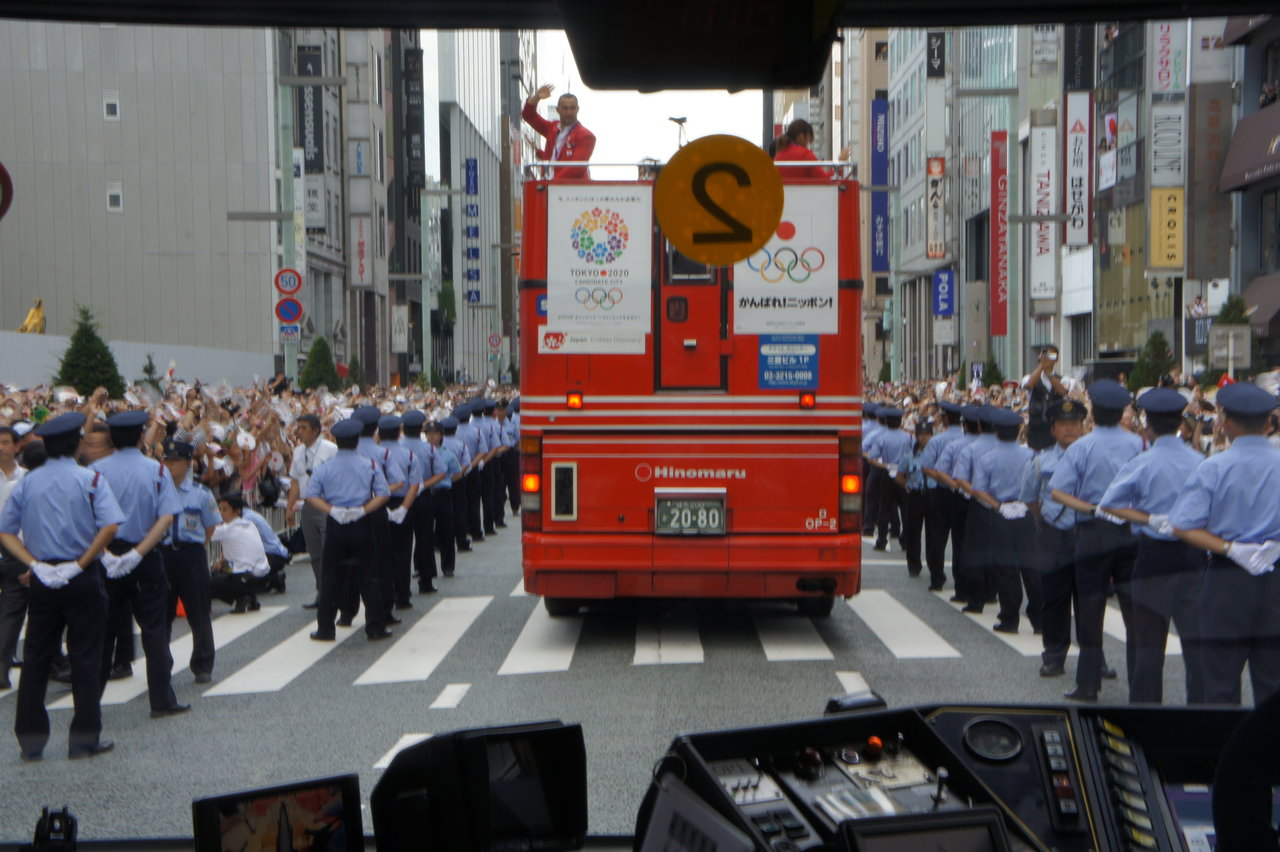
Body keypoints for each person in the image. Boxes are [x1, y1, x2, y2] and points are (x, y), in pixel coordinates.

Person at [0, 412, 124, 760]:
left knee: (37, 656)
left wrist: (34, 563)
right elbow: (111, 526)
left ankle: (31, 740)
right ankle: (83, 740)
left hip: (42, 577)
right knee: (85, 656)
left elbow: (6, 533)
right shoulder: (91, 479)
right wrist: (81, 563)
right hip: (81, 575)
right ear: (74, 444)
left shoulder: (27, 482)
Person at [1170, 381, 1280, 706]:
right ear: (1268, 423)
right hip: (1275, 574)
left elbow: (1182, 525)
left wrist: (1232, 549)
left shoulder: (1215, 466)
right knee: (1274, 679)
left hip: (1226, 577)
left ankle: (1221, 754)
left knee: (1219, 678)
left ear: (1226, 421)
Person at [1096, 388, 1205, 704]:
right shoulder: (1201, 461)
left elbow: (1109, 504)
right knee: (1196, 644)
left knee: (1148, 645)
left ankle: (1146, 714)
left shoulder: (1142, 462)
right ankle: (1201, 712)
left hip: (1153, 555)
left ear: (1148, 425)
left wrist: (1149, 518)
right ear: (1181, 426)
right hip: (1193, 554)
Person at [1048, 380, 1143, 702]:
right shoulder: (1137, 444)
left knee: (1090, 609)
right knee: (1134, 613)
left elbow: (1058, 492)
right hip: (1129, 530)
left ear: (1092, 413)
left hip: (1093, 529)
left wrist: (1092, 506)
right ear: (1120, 414)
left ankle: (1088, 685)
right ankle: (1139, 685)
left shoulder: (1082, 446)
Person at [92, 410, 189, 719]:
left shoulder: (95, 471)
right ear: (139, 437)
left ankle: (90, 704)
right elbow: (167, 516)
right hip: (145, 555)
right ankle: (161, 700)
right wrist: (138, 553)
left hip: (106, 557)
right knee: (154, 630)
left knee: (103, 633)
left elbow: (90, 519)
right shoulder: (156, 471)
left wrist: (106, 553)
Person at [304, 418, 391, 643]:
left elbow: (311, 495)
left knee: (330, 576)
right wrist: (363, 510)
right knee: (369, 575)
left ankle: (325, 628)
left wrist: (331, 509)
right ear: (358, 440)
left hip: (335, 523)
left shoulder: (325, 467)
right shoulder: (370, 465)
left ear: (336, 440)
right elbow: (383, 494)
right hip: (361, 522)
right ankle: (375, 626)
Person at [159, 438, 219, 684]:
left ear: (187, 463)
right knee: (161, 615)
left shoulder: (200, 493)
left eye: (175, 461)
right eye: (167, 460)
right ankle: (161, 663)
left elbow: (209, 527)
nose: (170, 466)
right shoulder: (157, 490)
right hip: (163, 555)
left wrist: (195, 546)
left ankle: (203, 664)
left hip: (190, 554)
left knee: (199, 612)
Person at [970, 408, 1036, 632]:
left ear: (996, 432)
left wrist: (998, 505)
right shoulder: (1030, 455)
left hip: (1001, 513)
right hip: (1025, 511)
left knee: (1006, 569)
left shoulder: (986, 458)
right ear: (1019, 430)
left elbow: (979, 490)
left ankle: (1010, 618)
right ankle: (1040, 619)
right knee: (1031, 567)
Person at [285, 414, 337, 609]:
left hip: (326, 502)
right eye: (299, 428)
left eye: (304, 428)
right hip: (308, 505)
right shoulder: (298, 452)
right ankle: (321, 592)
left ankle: (334, 592)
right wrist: (290, 508)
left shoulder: (330, 449)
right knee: (315, 553)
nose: (300, 432)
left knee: (329, 551)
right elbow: (295, 482)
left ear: (316, 430)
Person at [919, 402, 964, 591]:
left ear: (945, 419)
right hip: (964, 493)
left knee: (938, 537)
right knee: (961, 540)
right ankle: (961, 581)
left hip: (943, 491)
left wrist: (942, 477)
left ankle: (937, 578)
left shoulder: (937, 440)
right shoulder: (968, 439)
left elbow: (925, 467)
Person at [208, 494, 271, 613]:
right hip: (263, 576)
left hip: (244, 577)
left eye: (225, 509)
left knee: (205, 583)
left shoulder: (227, 529)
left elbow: (203, 536)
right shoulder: (249, 524)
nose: (221, 513)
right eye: (219, 509)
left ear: (237, 511)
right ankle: (248, 596)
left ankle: (241, 596)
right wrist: (221, 562)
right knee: (221, 570)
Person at [522, 84, 596, 180]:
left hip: (569, 189)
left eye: (572, 108)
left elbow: (576, 169)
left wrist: (551, 183)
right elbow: (528, 115)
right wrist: (536, 97)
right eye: (565, 108)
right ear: (558, 110)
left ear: (578, 109)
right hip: (548, 186)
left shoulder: (586, 136)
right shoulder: (552, 128)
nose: (569, 112)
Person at [0, 425, 26, 689]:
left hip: (18, 550)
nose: (1, 447)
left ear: (17, 446)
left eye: (6, 442)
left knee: (12, 611)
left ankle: (2, 668)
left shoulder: (27, 478)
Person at [1021, 344, 1067, 451]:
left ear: (1056, 359)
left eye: (1050, 355)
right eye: (1044, 354)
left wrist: (1049, 374)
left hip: (1055, 430)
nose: (1047, 358)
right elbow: (1029, 385)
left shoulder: (1063, 379)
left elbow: (1063, 391)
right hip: (1036, 430)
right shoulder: (1029, 377)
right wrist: (1041, 365)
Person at [772, 119, 851, 180]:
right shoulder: (804, 154)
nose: (807, 145)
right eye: (808, 141)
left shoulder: (778, 156)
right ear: (801, 137)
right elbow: (826, 180)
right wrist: (840, 164)